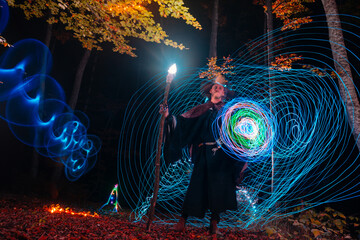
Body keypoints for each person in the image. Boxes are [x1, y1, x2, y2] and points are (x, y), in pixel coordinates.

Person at [161, 74, 247, 234]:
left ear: (224, 93)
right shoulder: (200, 109)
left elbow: (236, 132)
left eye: (221, 87)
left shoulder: (228, 112)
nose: (218, 87)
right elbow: (182, 123)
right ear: (210, 90)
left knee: (218, 189)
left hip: (221, 158)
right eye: (215, 86)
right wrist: (167, 117)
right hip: (203, 155)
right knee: (195, 186)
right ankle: (182, 221)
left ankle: (214, 225)